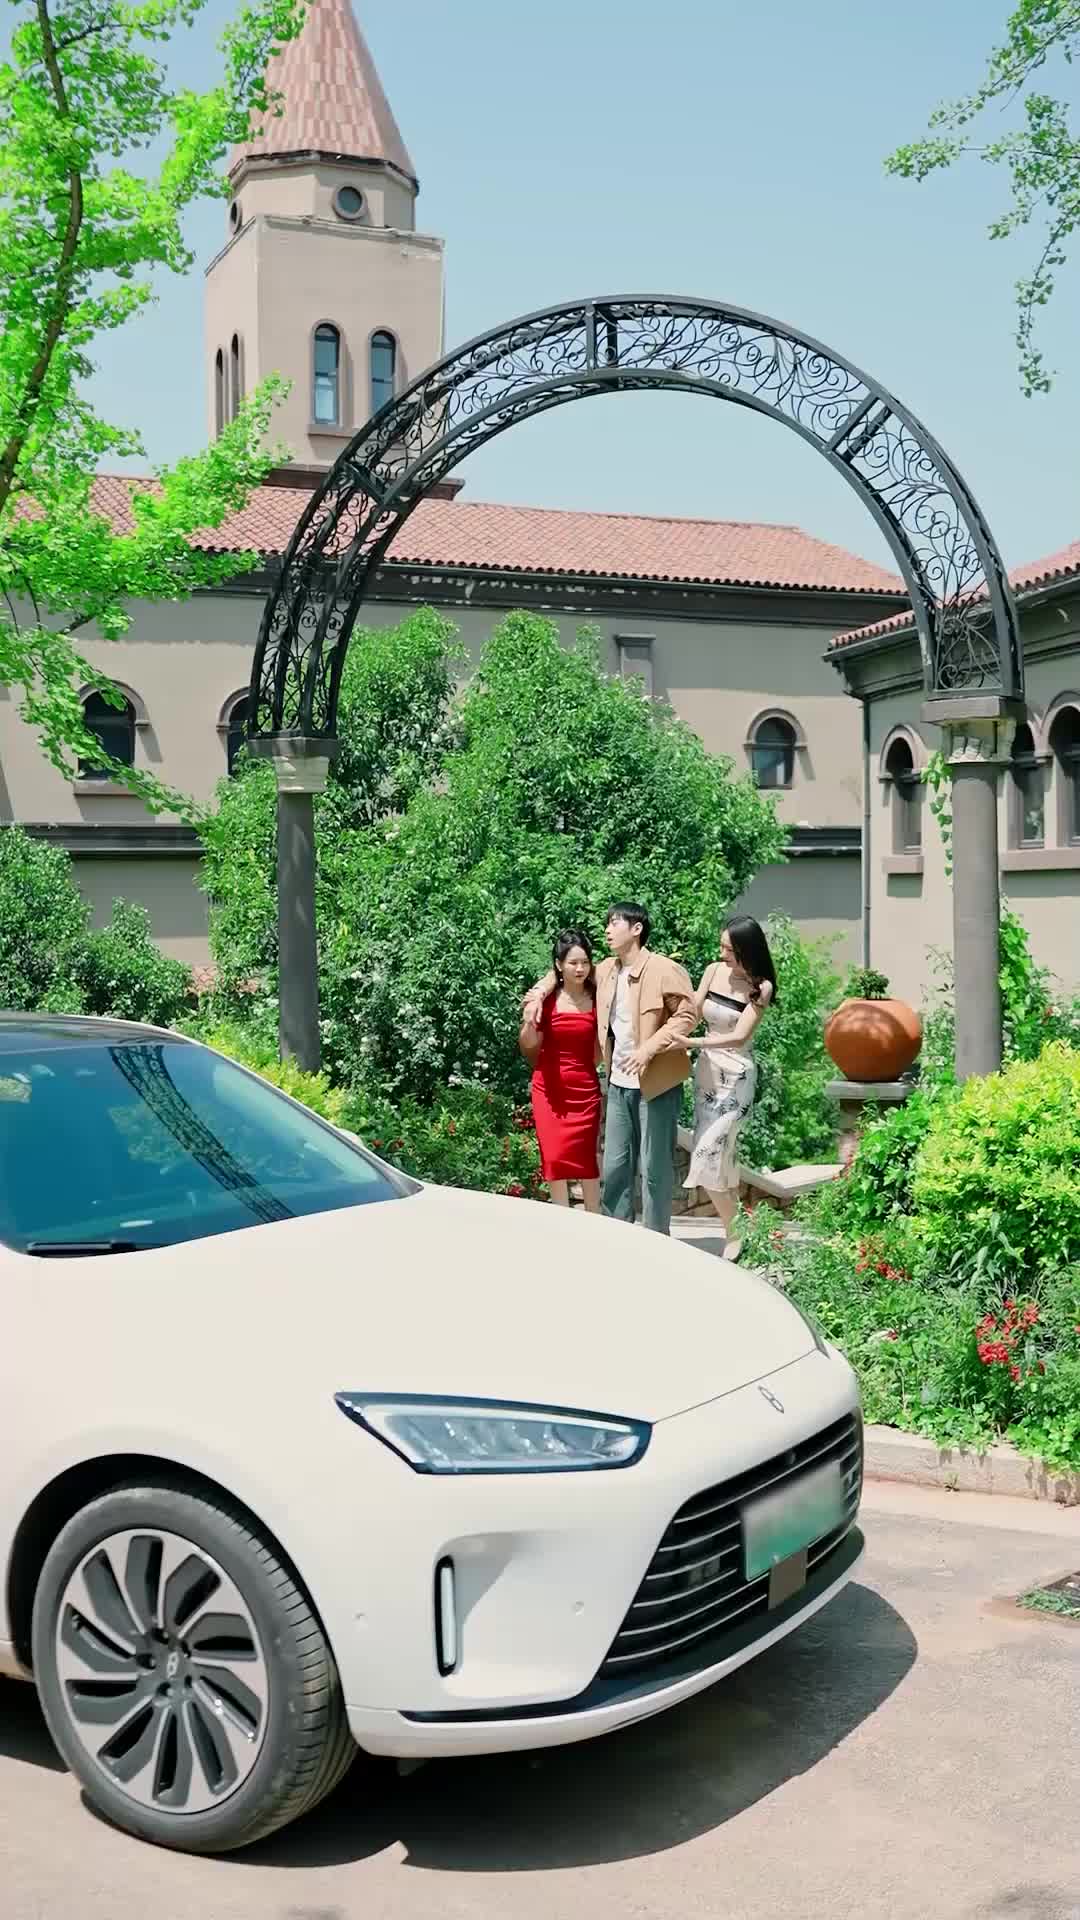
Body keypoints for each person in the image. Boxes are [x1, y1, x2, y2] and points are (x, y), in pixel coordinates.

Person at [524, 903, 695, 1235]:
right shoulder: (605, 970)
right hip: (618, 1082)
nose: (607, 929)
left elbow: (688, 1015)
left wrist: (649, 1048)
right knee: (615, 1166)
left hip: (656, 1083)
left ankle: (656, 1239)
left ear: (636, 929)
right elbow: (562, 969)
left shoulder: (664, 969)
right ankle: (617, 1236)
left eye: (614, 923)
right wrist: (540, 992)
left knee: (654, 1168)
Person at [683, 914, 777, 1259]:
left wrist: (691, 1043)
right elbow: (693, 1012)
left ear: (746, 950)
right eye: (721, 946)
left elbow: (739, 1036)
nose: (721, 954)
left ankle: (735, 1230)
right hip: (707, 1076)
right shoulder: (712, 971)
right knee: (723, 1158)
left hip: (736, 1078)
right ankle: (742, 1232)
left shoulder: (761, 987)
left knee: (707, 1153)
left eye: (728, 949)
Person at [520, 929, 602, 1212]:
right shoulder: (546, 1000)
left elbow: (600, 1048)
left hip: (585, 1091)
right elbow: (528, 1044)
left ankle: (595, 1221)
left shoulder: (599, 997)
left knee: (586, 1160)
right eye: (573, 963)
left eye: (585, 962)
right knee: (554, 1159)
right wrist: (529, 1021)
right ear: (559, 965)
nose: (580, 969)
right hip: (549, 1089)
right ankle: (562, 1221)